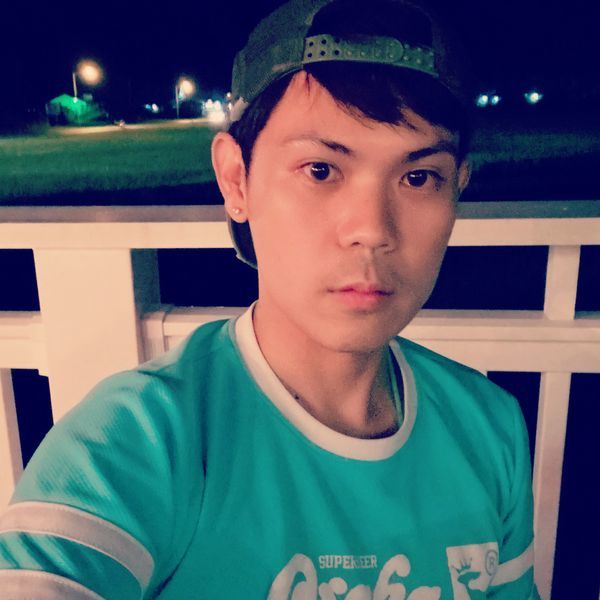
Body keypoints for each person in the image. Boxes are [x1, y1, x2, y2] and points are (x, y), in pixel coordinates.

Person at [0, 0, 539, 598]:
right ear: (236, 179)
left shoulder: (489, 428)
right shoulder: (141, 440)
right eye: (320, 170)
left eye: (418, 177)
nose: (371, 229)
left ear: (457, 189)